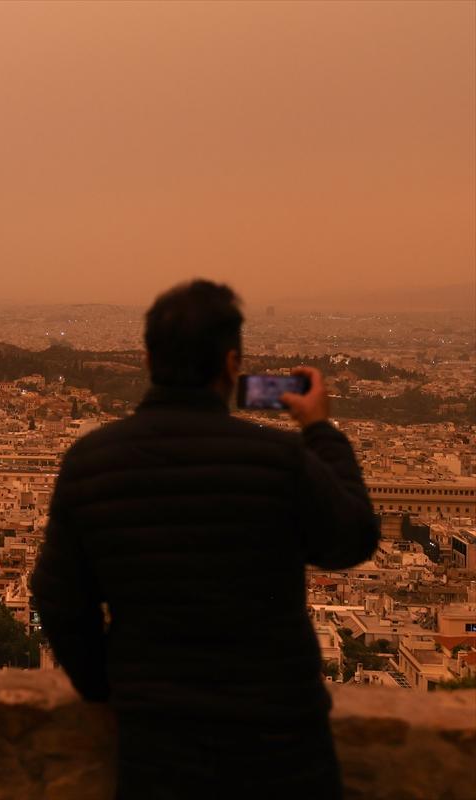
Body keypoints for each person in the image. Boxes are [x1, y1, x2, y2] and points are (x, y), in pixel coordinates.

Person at [31, 280, 379, 799]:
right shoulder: (279, 461)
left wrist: (107, 686)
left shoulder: (93, 460)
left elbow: (58, 599)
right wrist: (320, 430)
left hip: (159, 744)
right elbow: (353, 539)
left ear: (147, 359)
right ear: (232, 364)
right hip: (280, 743)